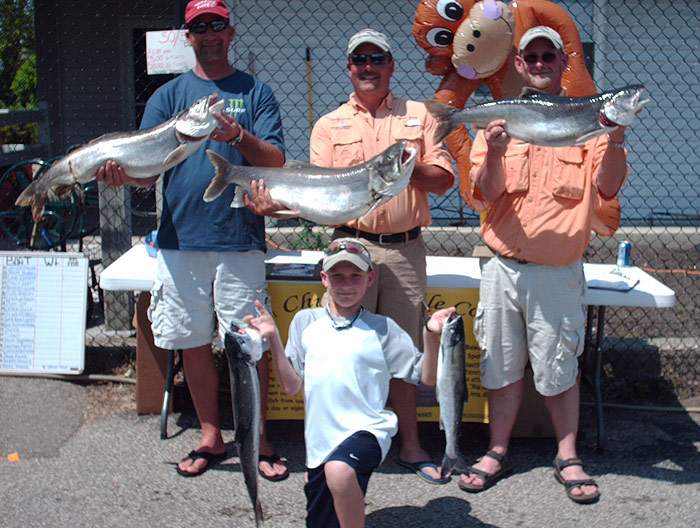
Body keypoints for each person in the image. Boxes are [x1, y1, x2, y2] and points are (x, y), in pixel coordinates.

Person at [96, 0, 288, 481]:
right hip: (180, 239)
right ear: (188, 36)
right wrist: (123, 176)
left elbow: (275, 161)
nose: (208, 34)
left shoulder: (255, 91)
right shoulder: (167, 96)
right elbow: (147, 170)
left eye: (216, 25)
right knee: (192, 340)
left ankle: (257, 437)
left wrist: (238, 134)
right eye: (198, 27)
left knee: (248, 344)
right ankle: (210, 435)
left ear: (231, 32)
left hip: (240, 237)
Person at [458, 26, 631, 504]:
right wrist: (493, 151)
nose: (539, 63)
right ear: (518, 64)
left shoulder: (590, 119)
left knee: (560, 368)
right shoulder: (498, 120)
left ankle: (568, 454)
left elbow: (610, 188)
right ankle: (496, 449)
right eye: (530, 56)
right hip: (501, 268)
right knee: (500, 363)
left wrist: (614, 139)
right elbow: (485, 193)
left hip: (558, 271)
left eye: (547, 56)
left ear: (561, 63)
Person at [307, 28, 455, 484]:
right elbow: (319, 195)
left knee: (404, 352)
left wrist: (405, 170)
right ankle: (339, 445)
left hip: (405, 248)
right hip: (350, 246)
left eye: (377, 59)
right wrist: (271, 201)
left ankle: (410, 445)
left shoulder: (420, 117)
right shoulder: (328, 125)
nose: (368, 67)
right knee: (345, 348)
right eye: (359, 60)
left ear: (391, 65)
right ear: (349, 68)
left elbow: (443, 179)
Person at [243, 238, 456, 527]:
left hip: (368, 429)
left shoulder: (384, 329)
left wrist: (430, 335)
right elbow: (291, 386)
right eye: (337, 276)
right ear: (323, 279)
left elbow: (427, 377)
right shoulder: (305, 322)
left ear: (370, 279)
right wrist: (273, 339)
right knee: (325, 510)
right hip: (320, 443)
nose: (346, 284)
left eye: (355, 276)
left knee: (340, 471)